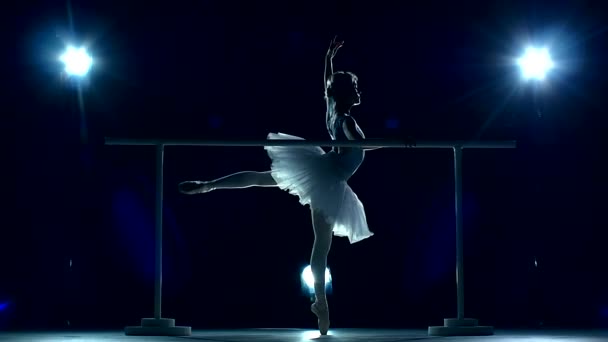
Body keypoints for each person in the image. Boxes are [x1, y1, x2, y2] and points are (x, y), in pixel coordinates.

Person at [178, 37, 378, 335]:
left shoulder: (334, 111)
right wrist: (398, 144)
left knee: (263, 179)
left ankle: (209, 185)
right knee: (320, 244)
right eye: (356, 87)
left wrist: (328, 59)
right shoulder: (346, 120)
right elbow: (365, 144)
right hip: (330, 179)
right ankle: (320, 304)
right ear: (347, 94)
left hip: (325, 172)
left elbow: (327, 87)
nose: (360, 91)